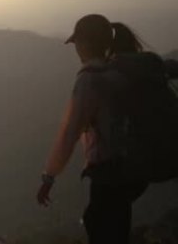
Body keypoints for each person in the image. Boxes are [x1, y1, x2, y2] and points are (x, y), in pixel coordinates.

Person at [36, 14, 149, 244]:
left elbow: (69, 134)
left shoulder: (89, 81)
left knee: (101, 228)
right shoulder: (119, 73)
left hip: (108, 174)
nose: (76, 49)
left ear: (85, 43)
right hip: (133, 171)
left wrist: (49, 176)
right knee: (115, 229)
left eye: (76, 43)